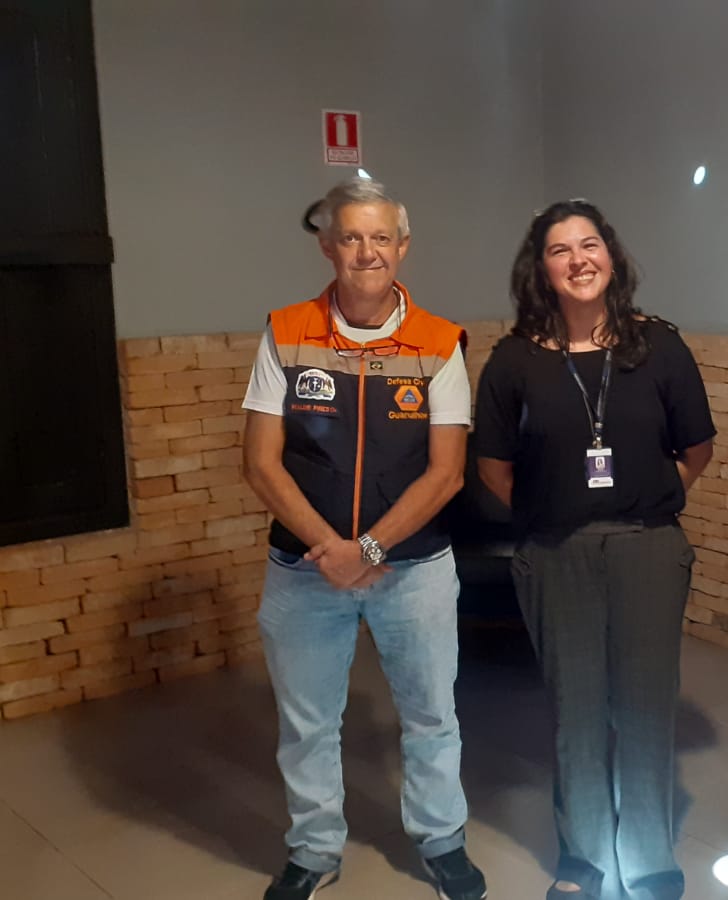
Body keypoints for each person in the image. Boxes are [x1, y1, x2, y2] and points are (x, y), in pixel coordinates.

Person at [242, 178, 487, 900]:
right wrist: (333, 551)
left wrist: (369, 550)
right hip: (304, 568)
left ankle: (442, 840)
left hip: (413, 570)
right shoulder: (286, 331)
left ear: (402, 247)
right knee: (308, 723)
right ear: (328, 246)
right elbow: (259, 462)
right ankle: (314, 849)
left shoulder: (440, 342)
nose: (367, 251)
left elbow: (446, 473)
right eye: (351, 237)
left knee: (431, 716)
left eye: (381, 237)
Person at [474, 200, 716, 900]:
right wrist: (555, 508)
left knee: (645, 711)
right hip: (556, 553)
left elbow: (697, 448)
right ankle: (582, 859)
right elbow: (493, 465)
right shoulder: (514, 359)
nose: (578, 260)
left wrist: (645, 496)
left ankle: (648, 858)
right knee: (575, 716)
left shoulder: (658, 346)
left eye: (590, 245)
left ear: (611, 256)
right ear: (540, 268)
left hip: (647, 549)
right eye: (560, 249)